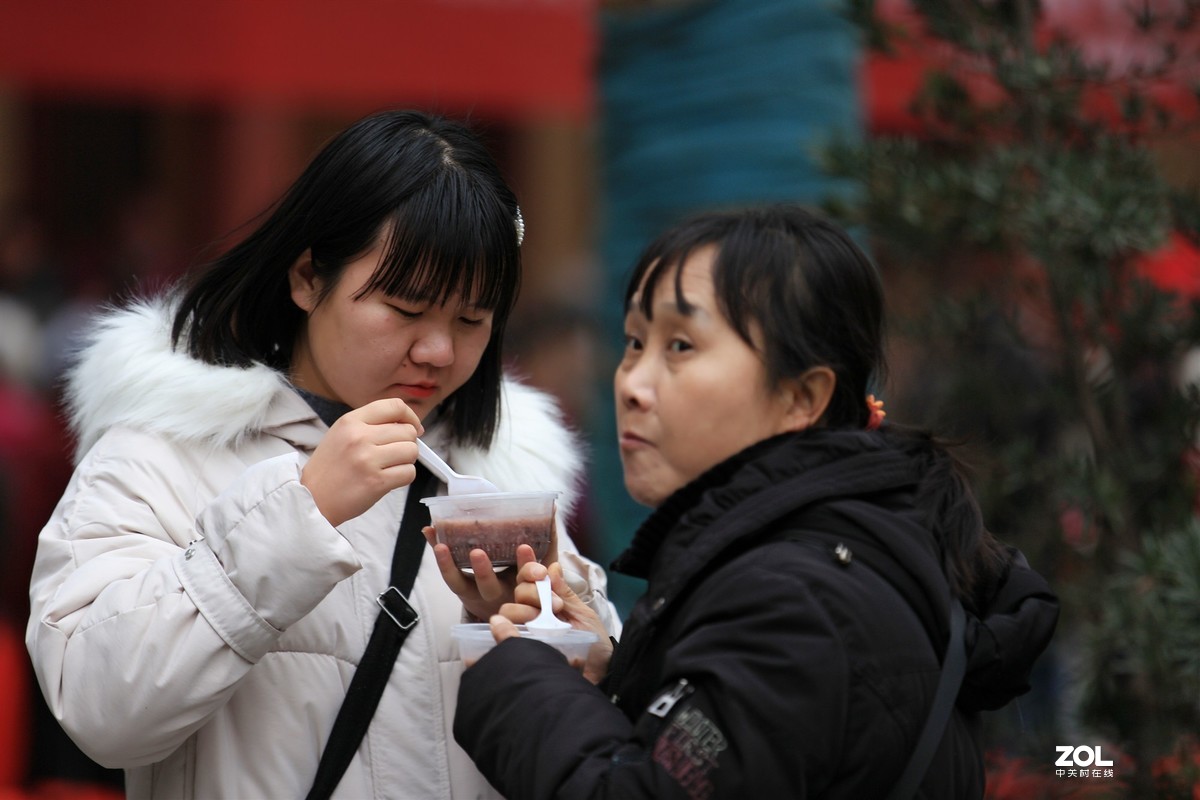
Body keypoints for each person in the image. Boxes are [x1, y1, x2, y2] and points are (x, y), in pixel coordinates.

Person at [25, 109, 619, 800]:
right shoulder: (163, 453)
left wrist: (579, 659)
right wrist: (298, 513)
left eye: (472, 319)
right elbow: (99, 709)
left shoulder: (499, 478)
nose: (439, 351)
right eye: (404, 308)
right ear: (308, 277)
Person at [451, 204, 1060, 798]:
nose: (633, 384)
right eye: (634, 342)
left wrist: (520, 675)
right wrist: (618, 674)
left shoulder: (791, 600)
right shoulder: (831, 558)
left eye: (681, 346)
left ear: (802, 398)